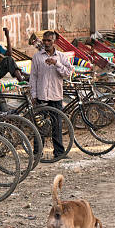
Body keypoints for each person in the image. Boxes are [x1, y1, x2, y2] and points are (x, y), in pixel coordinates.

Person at [29, 31, 73, 160]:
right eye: (45, 41)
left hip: (55, 95)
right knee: (39, 125)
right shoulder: (37, 57)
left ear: (54, 42)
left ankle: (59, 152)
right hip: (41, 95)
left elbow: (68, 73)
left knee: (57, 125)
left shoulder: (61, 57)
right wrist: (33, 94)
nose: (46, 43)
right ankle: (37, 153)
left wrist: (56, 63)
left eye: (49, 41)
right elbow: (33, 76)